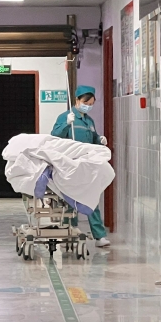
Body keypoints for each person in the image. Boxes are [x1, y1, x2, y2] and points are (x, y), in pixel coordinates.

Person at [51, 85, 111, 248]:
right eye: (86, 102)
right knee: (69, 199)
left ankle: (99, 236)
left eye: (91, 103)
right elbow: (54, 138)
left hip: (86, 165)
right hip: (69, 165)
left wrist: (100, 140)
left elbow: (92, 137)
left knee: (90, 198)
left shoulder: (89, 120)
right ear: (77, 100)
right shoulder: (65, 117)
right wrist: (66, 125)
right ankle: (69, 230)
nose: (89, 106)